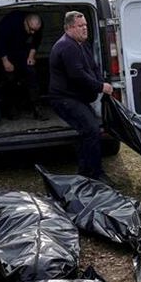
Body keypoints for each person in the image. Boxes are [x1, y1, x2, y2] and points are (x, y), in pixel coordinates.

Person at [48, 11, 114, 182]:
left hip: (77, 98)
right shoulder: (67, 47)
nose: (85, 29)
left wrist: (100, 82)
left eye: (85, 25)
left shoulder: (81, 44)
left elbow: (93, 67)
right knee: (91, 129)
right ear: (69, 28)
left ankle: (86, 173)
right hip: (64, 99)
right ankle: (95, 174)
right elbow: (77, 75)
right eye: (80, 26)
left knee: (89, 131)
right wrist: (101, 87)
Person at [0, 11, 45, 119]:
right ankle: (11, 109)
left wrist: (31, 56)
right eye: (31, 29)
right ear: (25, 22)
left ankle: (37, 108)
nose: (32, 32)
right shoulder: (10, 23)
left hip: (21, 48)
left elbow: (36, 40)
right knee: (9, 78)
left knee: (31, 74)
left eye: (35, 30)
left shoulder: (36, 26)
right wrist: (5, 61)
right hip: (6, 50)